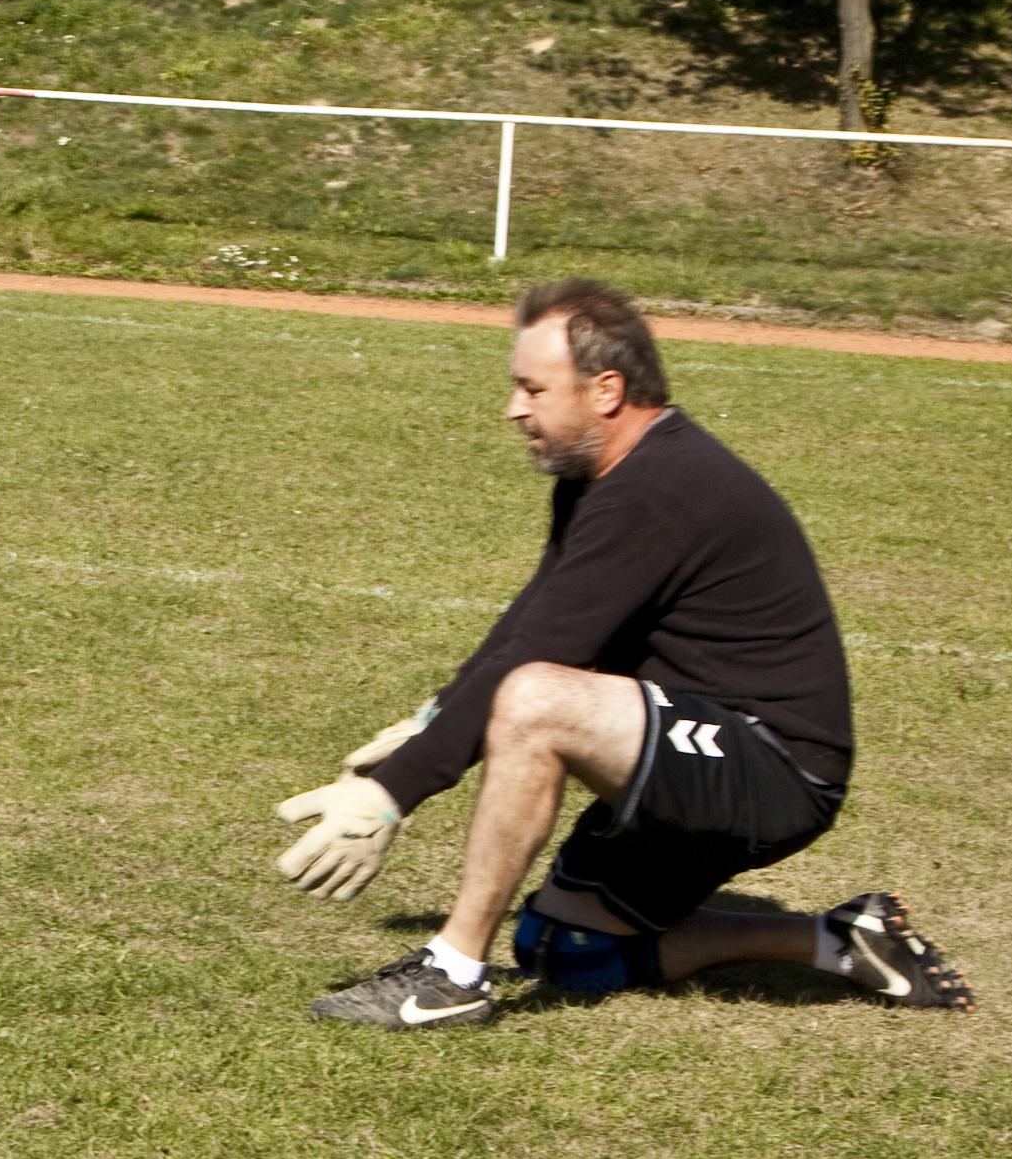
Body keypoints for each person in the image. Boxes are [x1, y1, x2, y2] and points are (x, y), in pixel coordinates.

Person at [273, 277, 969, 1027]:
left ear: (605, 390)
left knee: (539, 701)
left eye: (532, 388)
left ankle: (450, 978)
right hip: (687, 744)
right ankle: (838, 940)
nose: (514, 408)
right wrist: (430, 720)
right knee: (566, 949)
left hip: (774, 770)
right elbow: (531, 619)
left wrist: (390, 797)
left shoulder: (660, 487)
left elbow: (539, 658)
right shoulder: (598, 477)